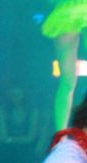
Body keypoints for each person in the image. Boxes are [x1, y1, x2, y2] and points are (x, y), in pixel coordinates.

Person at [42, 0, 87, 131]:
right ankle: (61, 133)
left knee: (67, 82)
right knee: (67, 82)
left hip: (64, 12)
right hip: (68, 11)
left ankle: (61, 133)